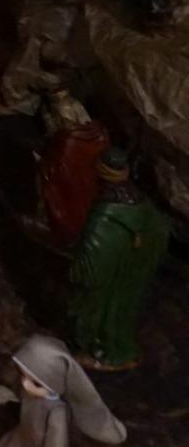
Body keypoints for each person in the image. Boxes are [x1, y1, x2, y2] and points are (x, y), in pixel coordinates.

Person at [0, 333, 126, 447]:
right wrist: (8, 395)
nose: (25, 384)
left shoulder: (57, 412)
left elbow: (57, 439)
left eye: (36, 383)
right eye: (23, 376)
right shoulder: (31, 394)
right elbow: (21, 396)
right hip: (25, 434)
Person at [68, 147, 170, 370]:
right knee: (124, 311)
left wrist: (76, 270)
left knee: (102, 314)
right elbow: (160, 232)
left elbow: (91, 268)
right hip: (132, 275)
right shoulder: (142, 203)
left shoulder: (104, 217)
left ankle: (104, 352)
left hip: (111, 281)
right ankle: (121, 348)